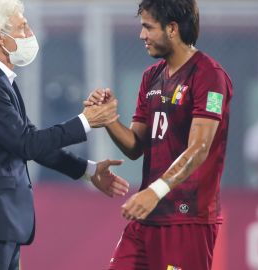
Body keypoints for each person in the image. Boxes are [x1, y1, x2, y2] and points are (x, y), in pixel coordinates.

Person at [0, 0, 130, 269]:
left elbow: (32, 141)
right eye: (22, 27)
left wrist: (88, 171)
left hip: (2, 222)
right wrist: (85, 121)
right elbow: (27, 145)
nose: (29, 34)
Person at [85, 0, 232, 269]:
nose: (142, 35)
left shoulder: (210, 76)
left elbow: (199, 148)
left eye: (148, 27)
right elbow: (135, 146)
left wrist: (155, 191)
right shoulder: (151, 77)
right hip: (147, 217)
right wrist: (108, 119)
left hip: (187, 220)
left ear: (172, 28)